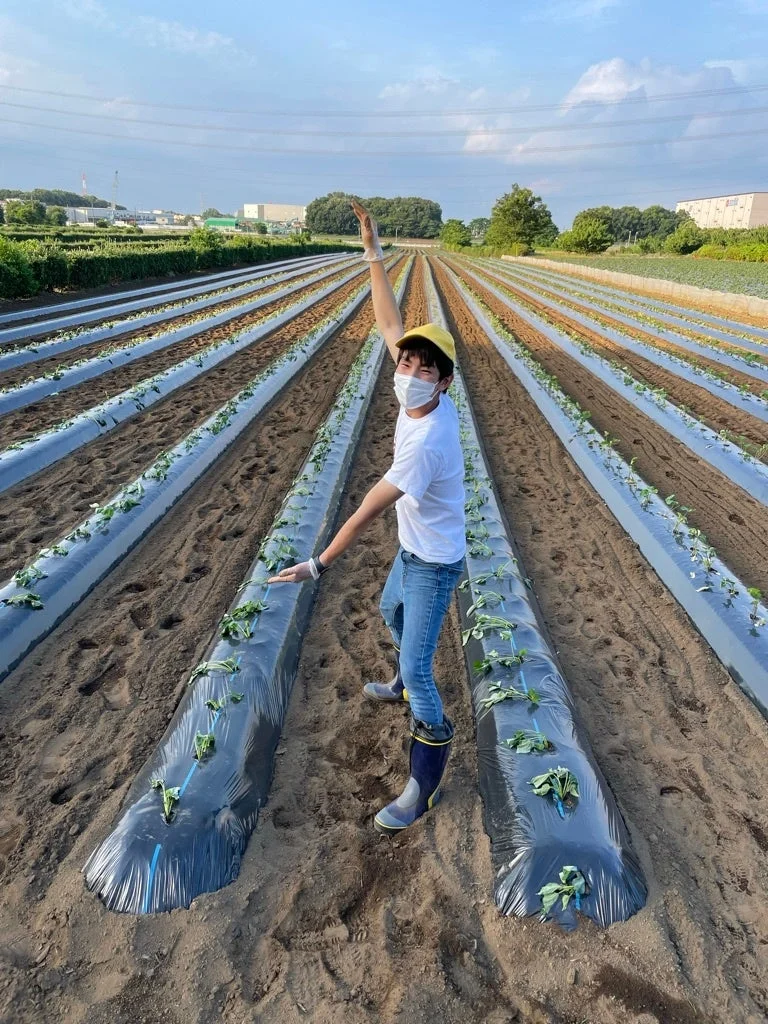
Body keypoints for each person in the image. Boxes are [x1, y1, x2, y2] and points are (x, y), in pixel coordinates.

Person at [268, 200, 466, 834]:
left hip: (434, 561)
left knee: (420, 668)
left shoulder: (427, 443)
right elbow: (388, 321)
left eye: (425, 368)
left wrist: (317, 565)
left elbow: (362, 513)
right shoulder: (420, 398)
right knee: (388, 610)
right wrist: (374, 253)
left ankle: (423, 784)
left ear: (443, 382)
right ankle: (403, 685)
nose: (409, 372)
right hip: (415, 548)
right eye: (406, 363)